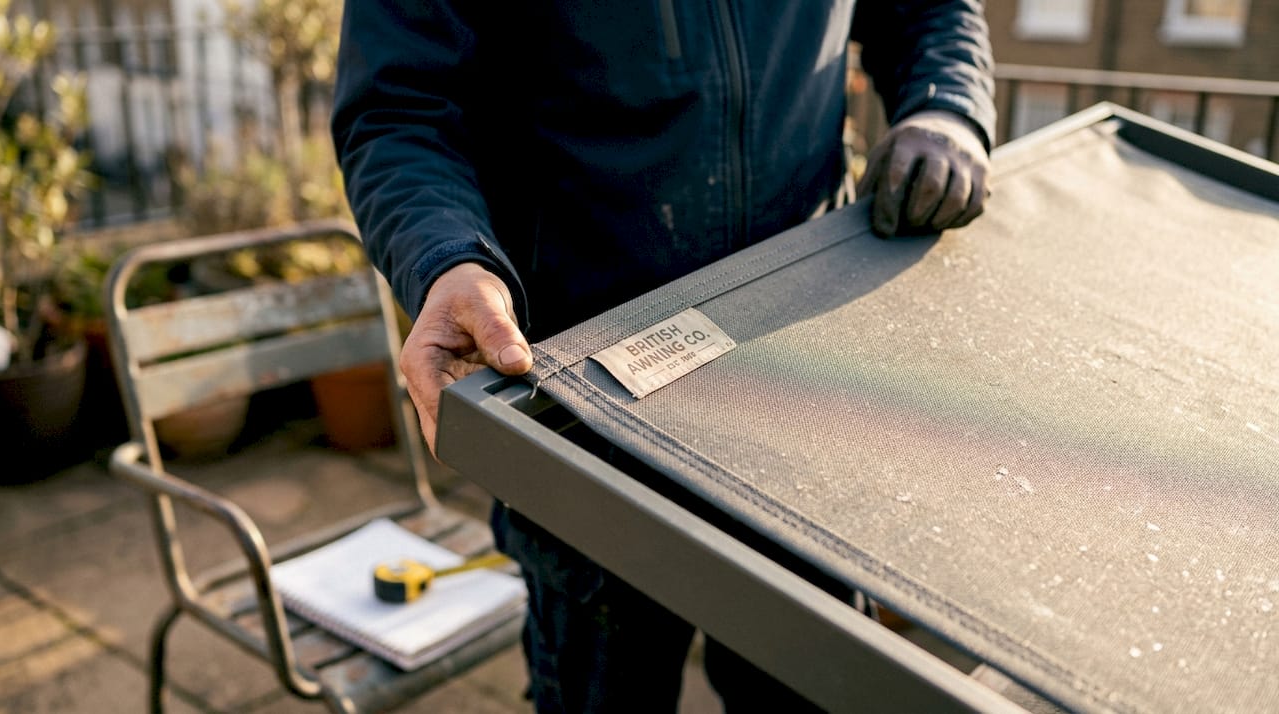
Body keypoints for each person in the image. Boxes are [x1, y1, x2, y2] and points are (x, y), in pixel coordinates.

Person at [332, 2, 995, 711]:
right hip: (581, 416)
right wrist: (447, 259)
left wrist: (947, 107)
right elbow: (397, 109)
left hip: (798, 395)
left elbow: (930, 12)